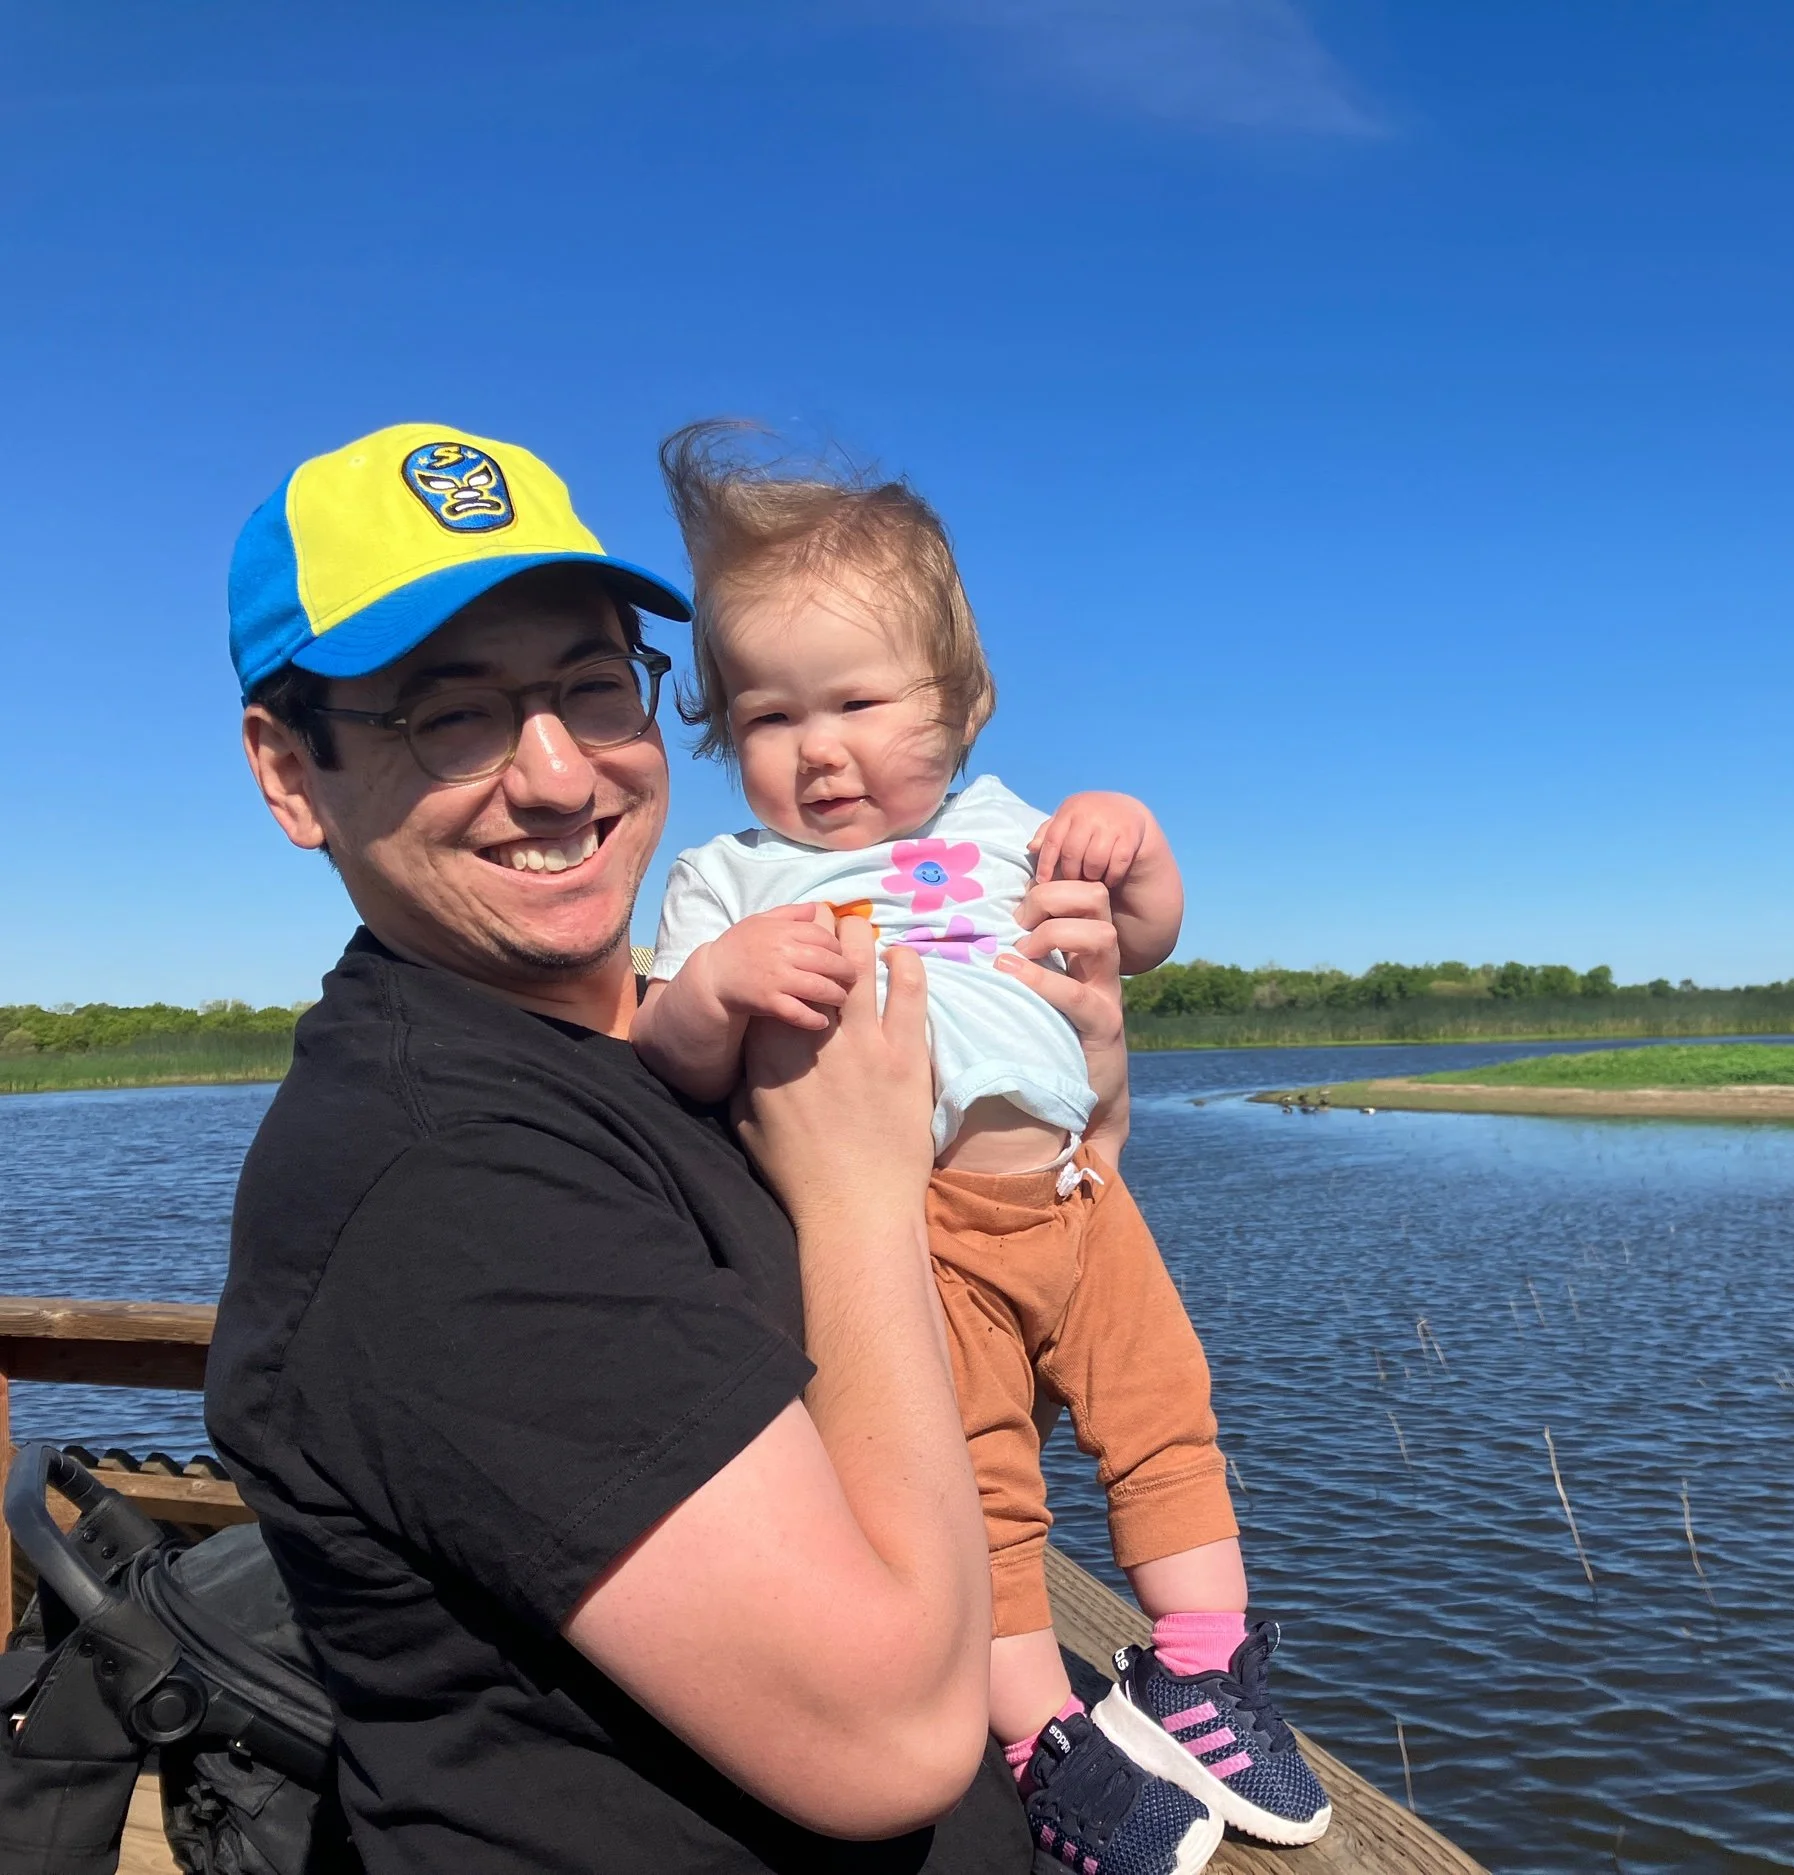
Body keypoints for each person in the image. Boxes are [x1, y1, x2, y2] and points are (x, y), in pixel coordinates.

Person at [209, 422, 1127, 1873]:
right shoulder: (444, 1182)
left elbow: (970, 1367)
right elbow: (888, 1738)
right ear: (292, 772)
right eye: (452, 715)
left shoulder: (653, 1046)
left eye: (592, 687)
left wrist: (1086, 1074)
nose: (559, 777)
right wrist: (858, 1192)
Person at [628, 426, 1330, 1875]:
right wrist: (715, 990)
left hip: (1078, 1191)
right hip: (924, 1229)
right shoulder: (730, 878)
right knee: (981, 1482)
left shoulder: (1005, 822)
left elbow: (1143, 936)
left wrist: (1137, 845)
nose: (818, 748)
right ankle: (1039, 1735)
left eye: (858, 700)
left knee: (1168, 1416)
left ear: (960, 705)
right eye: (768, 715)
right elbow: (670, 1051)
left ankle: (1202, 1667)